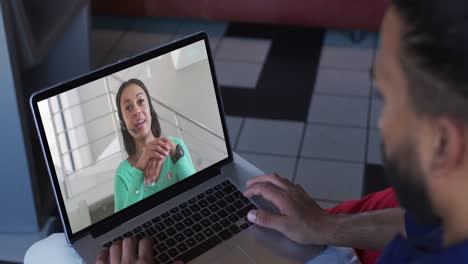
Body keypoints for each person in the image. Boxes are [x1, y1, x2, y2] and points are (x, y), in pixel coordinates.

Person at [99, 0, 468, 262]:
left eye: (386, 99)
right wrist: (328, 227)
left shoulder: (175, 145)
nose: (381, 122)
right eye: (127, 107)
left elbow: (191, 186)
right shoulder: (452, 211)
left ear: (443, 143)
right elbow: (424, 226)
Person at [114, 78, 196, 212]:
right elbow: (122, 228)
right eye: (128, 108)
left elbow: (199, 191)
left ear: (150, 109)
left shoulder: (176, 146)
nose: (136, 111)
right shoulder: (122, 174)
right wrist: (140, 168)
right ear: (123, 123)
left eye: (140, 102)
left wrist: (176, 154)